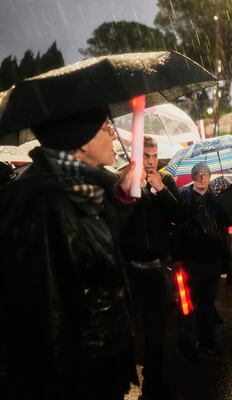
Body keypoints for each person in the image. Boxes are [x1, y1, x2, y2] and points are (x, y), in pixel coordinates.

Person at [0, 107, 140, 399]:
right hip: (78, 383)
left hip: (98, 372)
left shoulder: (82, 190)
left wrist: (120, 203)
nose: (114, 132)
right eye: (105, 126)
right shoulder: (40, 203)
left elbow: (92, 253)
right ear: (82, 140)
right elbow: (45, 317)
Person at [120, 136, 179, 399]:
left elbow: (179, 216)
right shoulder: (124, 181)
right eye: (146, 155)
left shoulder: (164, 182)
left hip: (156, 269)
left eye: (154, 156)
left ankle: (154, 384)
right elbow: (118, 220)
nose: (151, 161)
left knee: (156, 330)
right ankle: (122, 381)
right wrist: (136, 189)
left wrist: (160, 190)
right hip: (130, 271)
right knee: (127, 329)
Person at [176, 162, 228, 357]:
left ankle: (206, 340)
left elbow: (225, 222)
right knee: (186, 303)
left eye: (205, 174)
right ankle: (184, 341)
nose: (202, 177)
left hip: (211, 259)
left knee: (207, 303)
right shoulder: (184, 198)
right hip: (191, 260)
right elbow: (177, 228)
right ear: (192, 176)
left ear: (210, 176)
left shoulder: (216, 199)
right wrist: (178, 256)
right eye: (198, 174)